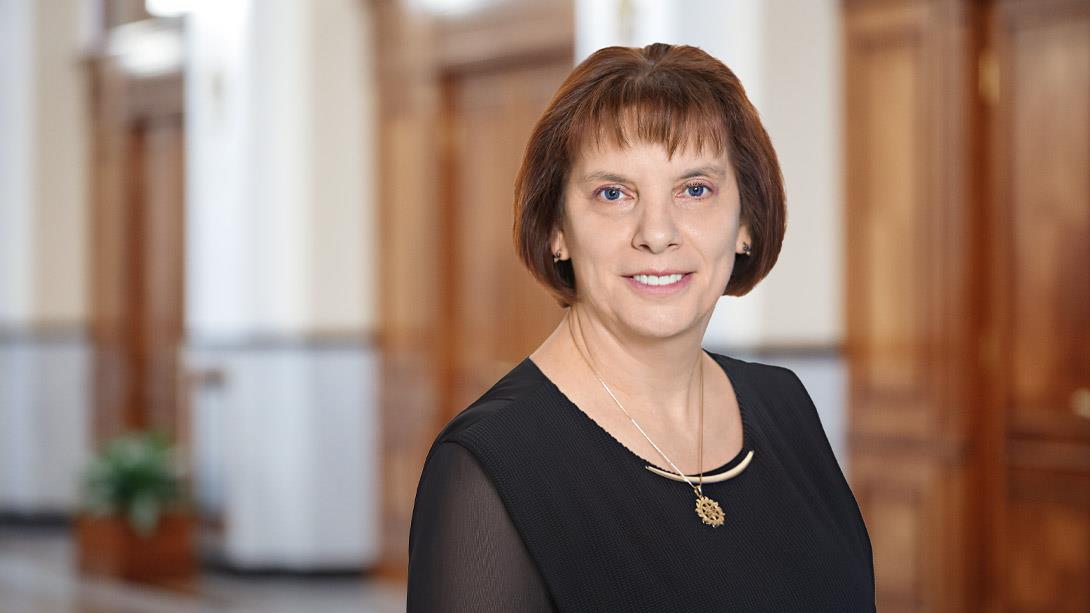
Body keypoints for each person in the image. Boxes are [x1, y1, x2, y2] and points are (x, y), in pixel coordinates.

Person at [406, 42, 875, 612]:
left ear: (746, 222)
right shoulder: (487, 466)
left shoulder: (784, 405)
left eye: (695, 189)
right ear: (556, 230)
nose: (657, 233)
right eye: (613, 193)